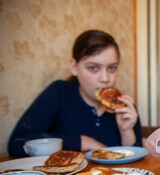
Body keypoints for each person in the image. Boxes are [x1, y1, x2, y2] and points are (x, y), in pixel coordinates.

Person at [8, 30, 142, 158]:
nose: (105, 78)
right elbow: (16, 144)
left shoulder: (124, 107)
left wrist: (126, 132)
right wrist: (81, 141)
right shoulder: (59, 93)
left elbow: (139, 171)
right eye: (93, 68)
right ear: (74, 67)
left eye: (112, 68)